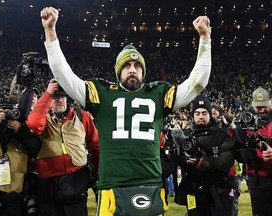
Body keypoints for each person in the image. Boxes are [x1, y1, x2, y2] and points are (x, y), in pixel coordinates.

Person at [40, 6, 212, 216]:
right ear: (118, 71)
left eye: (137, 66)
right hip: (112, 185)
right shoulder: (101, 92)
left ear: (143, 71)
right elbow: (64, 75)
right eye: (127, 65)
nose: (132, 69)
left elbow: (198, 83)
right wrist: (50, 33)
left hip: (150, 184)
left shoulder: (158, 93)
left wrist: (205, 39)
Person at [26, 79, 100, 216]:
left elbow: (95, 146)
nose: (60, 100)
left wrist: (97, 173)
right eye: (55, 97)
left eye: (63, 96)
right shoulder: (43, 117)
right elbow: (34, 125)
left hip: (76, 179)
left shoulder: (82, 116)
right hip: (48, 183)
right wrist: (48, 93)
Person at [174, 96, 234, 216]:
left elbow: (227, 161)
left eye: (204, 113)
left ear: (210, 115)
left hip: (217, 192)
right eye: (197, 113)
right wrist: (178, 152)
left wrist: (203, 162)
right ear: (193, 116)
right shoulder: (188, 138)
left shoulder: (222, 136)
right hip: (194, 192)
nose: (200, 116)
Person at [0, 101, 41, 216]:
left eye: (9, 113)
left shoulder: (21, 132)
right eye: (3, 113)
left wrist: (20, 130)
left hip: (13, 190)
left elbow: (35, 149)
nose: (6, 117)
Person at [234, 87, 272, 216]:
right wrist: (244, 155)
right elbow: (237, 148)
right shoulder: (244, 122)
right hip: (257, 178)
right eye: (258, 107)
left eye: (264, 106)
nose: (261, 110)